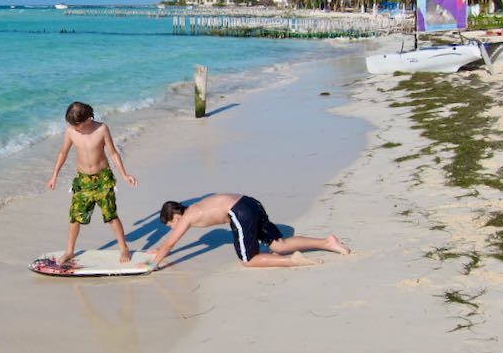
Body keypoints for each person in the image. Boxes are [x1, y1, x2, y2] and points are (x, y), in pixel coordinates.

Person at [149, 193, 350, 269]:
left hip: (240, 212)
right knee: (279, 245)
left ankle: (293, 261)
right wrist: (158, 250)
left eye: (170, 225)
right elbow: (168, 243)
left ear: (175, 216)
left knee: (248, 260)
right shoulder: (194, 209)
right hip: (250, 202)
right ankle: (327, 242)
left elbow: (170, 243)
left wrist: (152, 265)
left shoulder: (188, 216)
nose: (173, 228)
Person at [48, 101, 137, 265]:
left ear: (88, 119)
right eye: (72, 125)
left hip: (103, 179)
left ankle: (123, 247)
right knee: (75, 218)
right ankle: (70, 251)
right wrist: (54, 176)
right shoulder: (70, 132)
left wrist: (124, 175)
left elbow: (113, 153)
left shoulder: (101, 129)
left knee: (111, 216)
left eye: (77, 125)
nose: (75, 128)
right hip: (82, 180)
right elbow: (63, 153)